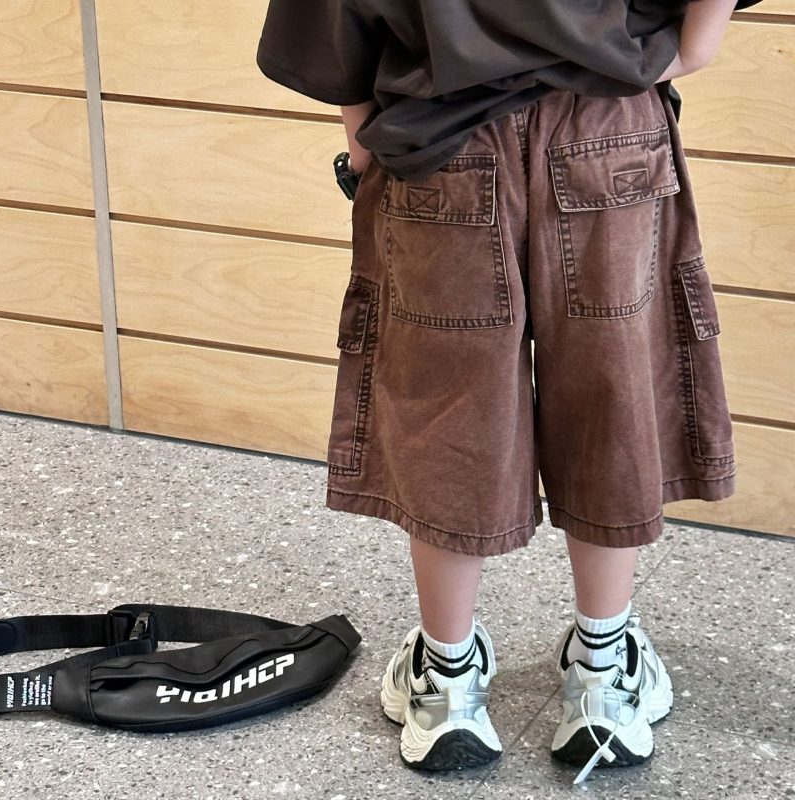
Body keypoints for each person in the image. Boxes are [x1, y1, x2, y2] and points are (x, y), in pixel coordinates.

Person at [257, 0, 761, 783]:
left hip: (441, 135)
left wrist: (363, 141)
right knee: (613, 394)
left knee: (448, 408)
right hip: (608, 123)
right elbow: (694, 40)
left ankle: (448, 681)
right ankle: (603, 677)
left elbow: (331, 34)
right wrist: (685, 49)